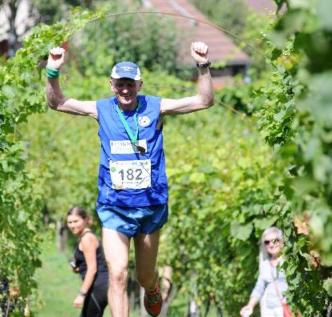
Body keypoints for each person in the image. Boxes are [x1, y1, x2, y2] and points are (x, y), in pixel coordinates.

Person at [45, 42, 214, 317]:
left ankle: (152, 288)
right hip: (114, 206)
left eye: (130, 84)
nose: (125, 90)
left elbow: (203, 101)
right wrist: (52, 70)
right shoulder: (101, 109)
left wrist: (203, 65)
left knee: (144, 277)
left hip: (150, 205)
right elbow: (57, 102)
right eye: (120, 84)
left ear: (139, 85)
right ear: (112, 85)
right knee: (118, 272)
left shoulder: (155, 107)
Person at [67, 206, 110, 317]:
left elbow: (92, 269)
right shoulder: (85, 237)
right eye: (69, 222)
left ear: (85, 220)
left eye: (76, 221)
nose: (72, 225)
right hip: (96, 286)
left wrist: (81, 294)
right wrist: (78, 268)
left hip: (98, 286)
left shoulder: (87, 238)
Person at [239, 227, 290, 317]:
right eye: (267, 242)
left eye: (274, 241)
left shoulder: (289, 261)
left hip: (288, 307)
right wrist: (250, 306)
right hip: (270, 310)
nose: (271, 244)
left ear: (281, 241)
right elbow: (259, 287)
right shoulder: (265, 265)